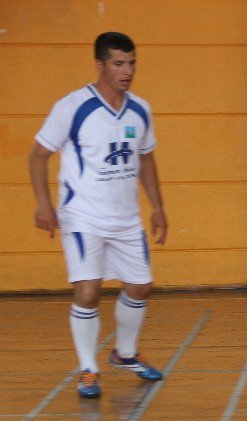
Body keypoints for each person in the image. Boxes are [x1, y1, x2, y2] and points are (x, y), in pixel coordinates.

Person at [29, 32, 167, 399]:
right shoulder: (72, 107)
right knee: (88, 291)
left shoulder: (140, 109)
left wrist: (158, 207)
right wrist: (44, 203)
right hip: (82, 216)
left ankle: (124, 353)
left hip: (125, 218)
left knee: (141, 286)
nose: (127, 71)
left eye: (132, 63)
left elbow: (146, 158)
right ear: (100, 65)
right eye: (119, 63)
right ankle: (89, 370)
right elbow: (38, 155)